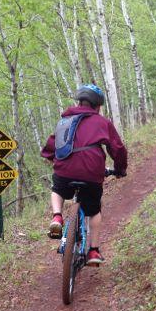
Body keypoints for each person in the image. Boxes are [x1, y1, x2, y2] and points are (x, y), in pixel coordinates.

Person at [41, 84, 127, 266]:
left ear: (79, 101)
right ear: (97, 106)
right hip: (91, 172)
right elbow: (118, 149)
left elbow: (51, 147)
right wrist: (120, 169)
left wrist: (53, 160)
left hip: (64, 170)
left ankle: (57, 216)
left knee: (57, 188)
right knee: (94, 210)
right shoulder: (102, 123)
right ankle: (94, 251)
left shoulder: (64, 121)